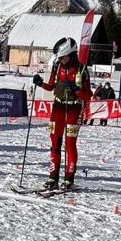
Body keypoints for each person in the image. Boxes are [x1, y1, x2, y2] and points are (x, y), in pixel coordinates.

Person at [33, 37, 92, 191]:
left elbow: (88, 95)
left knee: (70, 144)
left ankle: (69, 178)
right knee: (55, 143)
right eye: (59, 58)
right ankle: (53, 177)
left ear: (71, 55)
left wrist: (76, 89)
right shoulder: (56, 66)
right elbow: (51, 86)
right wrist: (40, 83)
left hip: (73, 109)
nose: (61, 60)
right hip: (58, 107)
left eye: (63, 57)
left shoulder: (81, 69)